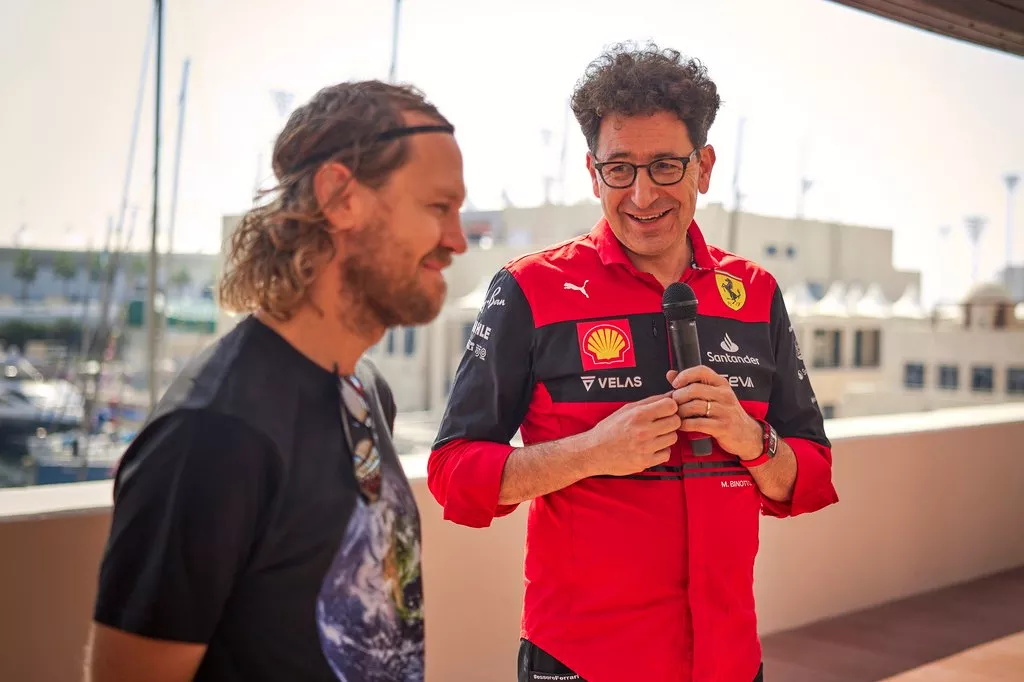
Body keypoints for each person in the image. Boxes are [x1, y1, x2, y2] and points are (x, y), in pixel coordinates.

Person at [428, 43, 838, 682]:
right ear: (594, 174)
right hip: (582, 662)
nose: (642, 195)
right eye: (619, 169)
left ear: (704, 167)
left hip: (729, 663)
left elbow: (810, 475)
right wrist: (591, 453)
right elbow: (453, 472)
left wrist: (751, 440)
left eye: (666, 166)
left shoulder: (756, 293)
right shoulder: (530, 289)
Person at [85, 80, 468, 682]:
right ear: (340, 197)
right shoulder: (211, 434)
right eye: (439, 208)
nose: (458, 241)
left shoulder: (365, 391)